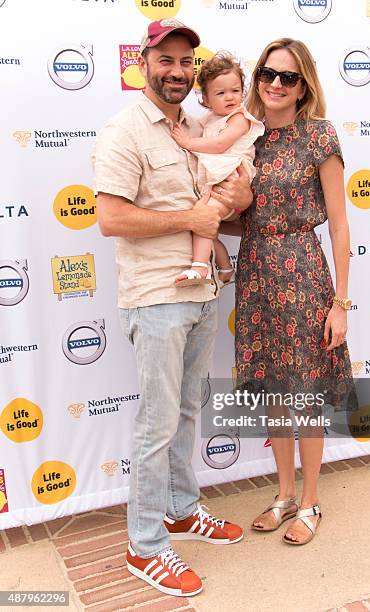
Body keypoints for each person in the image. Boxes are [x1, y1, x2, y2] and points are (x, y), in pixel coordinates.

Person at [92, 19, 252, 598]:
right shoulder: (124, 130)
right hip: (157, 297)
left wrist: (235, 206)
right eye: (167, 60)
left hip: (202, 290)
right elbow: (110, 218)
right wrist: (191, 220)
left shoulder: (197, 127)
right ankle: (145, 546)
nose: (178, 72)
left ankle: (182, 510)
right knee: (157, 423)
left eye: (187, 62)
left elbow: (216, 216)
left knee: (186, 411)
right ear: (142, 62)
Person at [222, 38, 354, 545]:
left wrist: (340, 303)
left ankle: (312, 501)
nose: (275, 84)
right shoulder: (246, 141)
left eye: (288, 77)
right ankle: (283, 495)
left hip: (302, 275)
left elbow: (340, 226)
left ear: (304, 87)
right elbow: (244, 223)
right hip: (256, 276)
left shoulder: (319, 136)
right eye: (268, 74)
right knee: (277, 392)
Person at [171, 51, 264, 287]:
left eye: (235, 90)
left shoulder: (240, 117)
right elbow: (193, 128)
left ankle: (200, 267)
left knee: (206, 216)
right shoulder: (208, 119)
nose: (230, 97)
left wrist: (187, 143)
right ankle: (223, 266)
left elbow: (221, 144)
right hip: (215, 180)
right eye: (220, 93)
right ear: (206, 99)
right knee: (204, 224)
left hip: (232, 177)